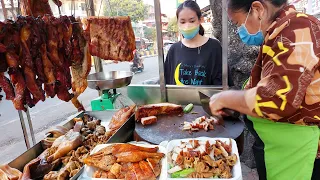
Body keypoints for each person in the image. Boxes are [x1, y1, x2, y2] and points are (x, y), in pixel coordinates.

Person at [209, 0, 320, 179]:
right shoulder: (277, 34)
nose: (240, 31)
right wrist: (236, 106)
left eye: (238, 23)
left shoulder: (299, 28)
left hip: (303, 149)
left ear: (258, 9)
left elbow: (276, 99)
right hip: (280, 144)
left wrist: (226, 98)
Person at [164, 0, 233, 86]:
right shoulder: (174, 50)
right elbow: (167, 83)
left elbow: (222, 83)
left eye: (192, 21)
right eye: (182, 22)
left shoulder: (214, 47)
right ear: (178, 22)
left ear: (200, 20)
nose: (187, 25)